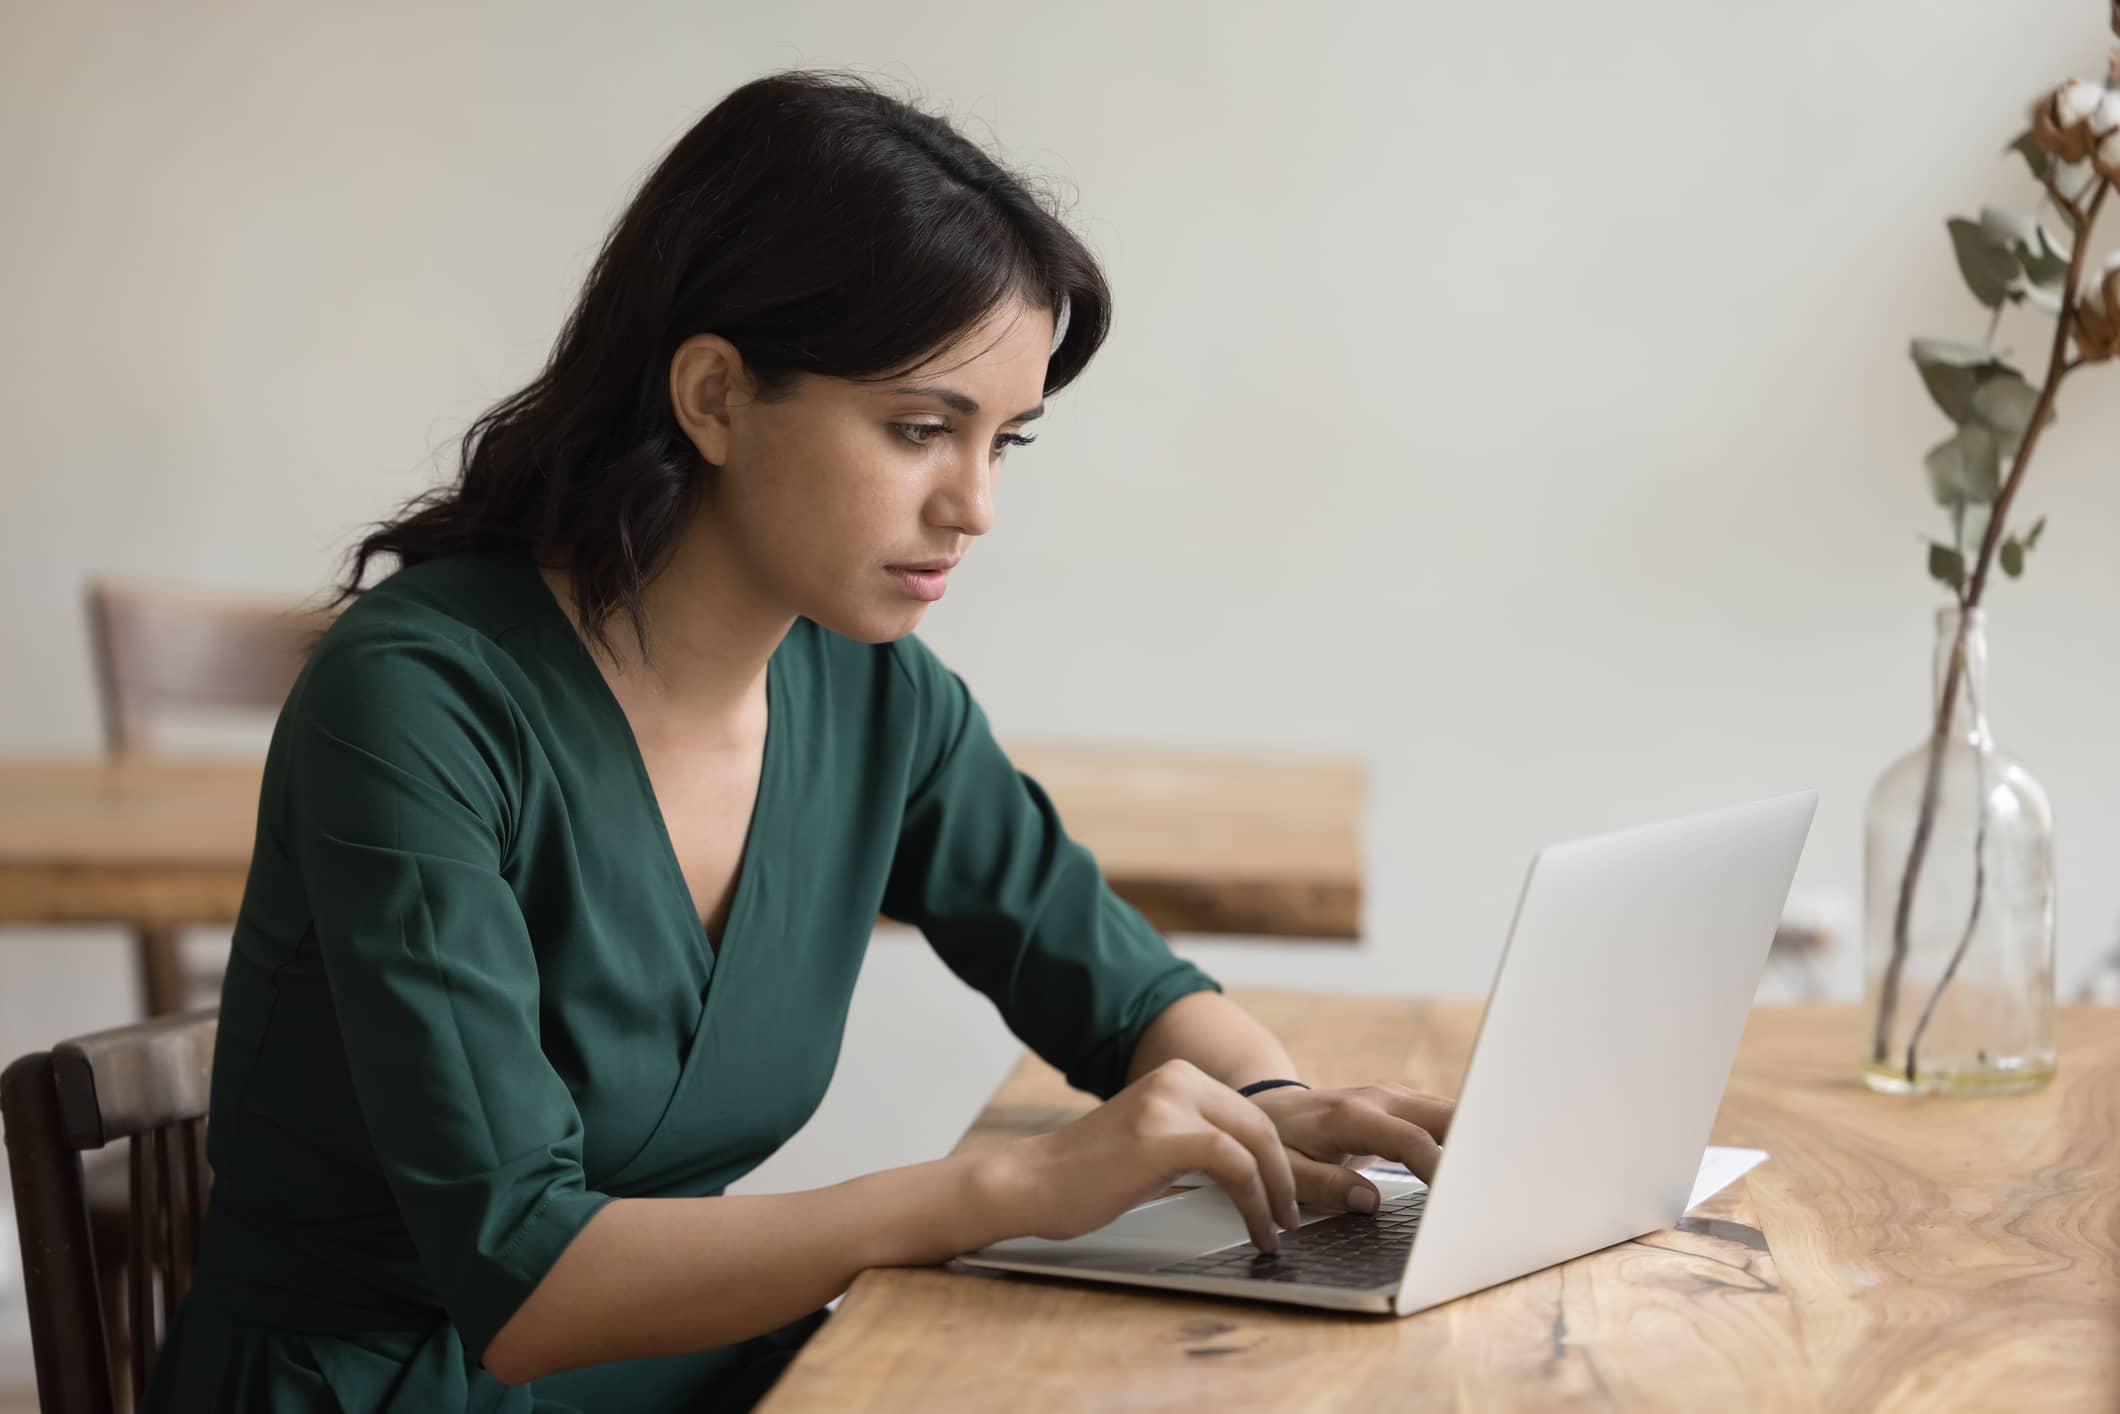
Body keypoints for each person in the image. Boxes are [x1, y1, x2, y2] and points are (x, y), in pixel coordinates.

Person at [142, 67, 1455, 1413]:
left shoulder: (872, 693)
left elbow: (1117, 988)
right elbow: (530, 1276)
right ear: (714, 396)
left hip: (666, 1370)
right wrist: (1009, 1187)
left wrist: (1271, 1101)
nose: (977, 505)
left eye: (1007, 441)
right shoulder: (419, 704)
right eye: (922, 430)